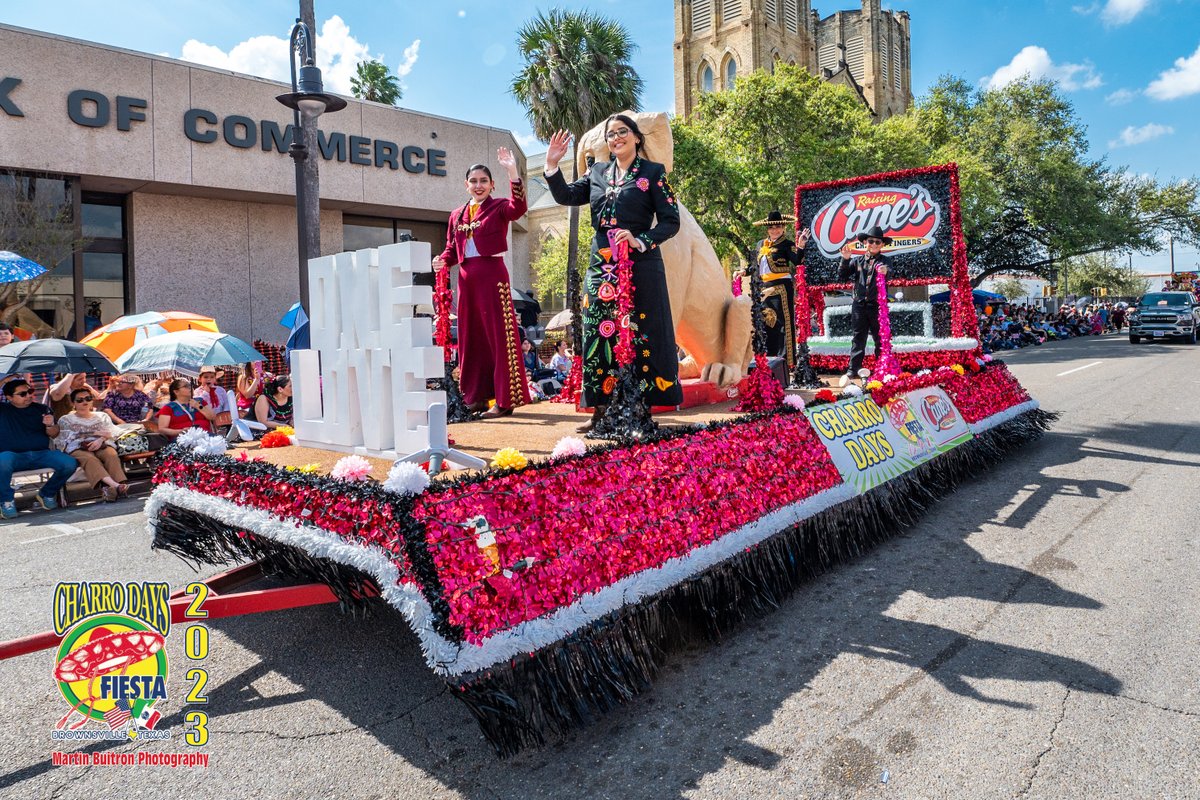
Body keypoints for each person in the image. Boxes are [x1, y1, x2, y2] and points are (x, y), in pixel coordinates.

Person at [544, 117, 683, 432]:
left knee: (642, 330)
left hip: (641, 264)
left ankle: (640, 407)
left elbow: (670, 221)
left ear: (636, 137)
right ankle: (601, 410)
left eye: (623, 132)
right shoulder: (597, 172)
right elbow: (566, 196)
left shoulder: (653, 173)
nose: (616, 138)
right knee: (599, 332)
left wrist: (642, 239)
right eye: (611, 134)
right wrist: (552, 165)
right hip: (602, 265)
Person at [432, 149, 532, 419]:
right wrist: (442, 260)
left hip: (492, 276)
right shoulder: (457, 215)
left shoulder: (499, 206)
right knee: (470, 338)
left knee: (500, 337)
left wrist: (513, 172)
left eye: (483, 181)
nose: (478, 186)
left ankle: (505, 401)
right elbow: (451, 249)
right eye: (473, 181)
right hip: (466, 281)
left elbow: (519, 208)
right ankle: (475, 398)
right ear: (466, 185)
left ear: (492, 185)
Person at [0, 379, 77, 517]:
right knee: (2, 461)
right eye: (23, 394)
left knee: (69, 463)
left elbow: (54, 434)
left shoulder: (42, 409)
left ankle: (46, 493)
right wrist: (3, 381)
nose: (29, 395)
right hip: (13, 456)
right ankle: (6, 501)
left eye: (30, 391)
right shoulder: (3, 409)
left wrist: (49, 425)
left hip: (41, 453)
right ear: (9, 397)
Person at [750, 210, 810, 370]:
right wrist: (744, 271)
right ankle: (766, 360)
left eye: (778, 226)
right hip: (763, 289)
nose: (775, 230)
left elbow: (797, 261)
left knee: (783, 324)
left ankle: (786, 362)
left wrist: (801, 246)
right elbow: (755, 266)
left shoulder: (787, 244)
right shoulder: (760, 244)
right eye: (771, 227)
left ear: (783, 227)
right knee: (765, 324)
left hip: (781, 288)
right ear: (767, 229)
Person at [837, 225, 892, 386]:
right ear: (865, 243)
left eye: (877, 242)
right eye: (871, 241)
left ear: (882, 244)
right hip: (859, 306)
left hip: (877, 307)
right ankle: (853, 369)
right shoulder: (857, 261)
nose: (874, 244)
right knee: (858, 338)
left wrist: (884, 271)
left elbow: (889, 270)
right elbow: (842, 276)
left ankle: (882, 368)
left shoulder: (885, 261)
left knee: (880, 339)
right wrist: (845, 259)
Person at [56, 388, 128, 502]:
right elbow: (64, 439)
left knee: (111, 454)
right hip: (78, 447)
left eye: (88, 398)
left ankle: (113, 489)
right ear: (73, 403)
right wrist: (88, 438)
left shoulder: (101, 416)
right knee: (90, 459)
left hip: (101, 444)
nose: (85, 402)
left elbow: (111, 432)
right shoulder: (66, 419)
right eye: (80, 400)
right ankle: (115, 486)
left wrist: (100, 439)